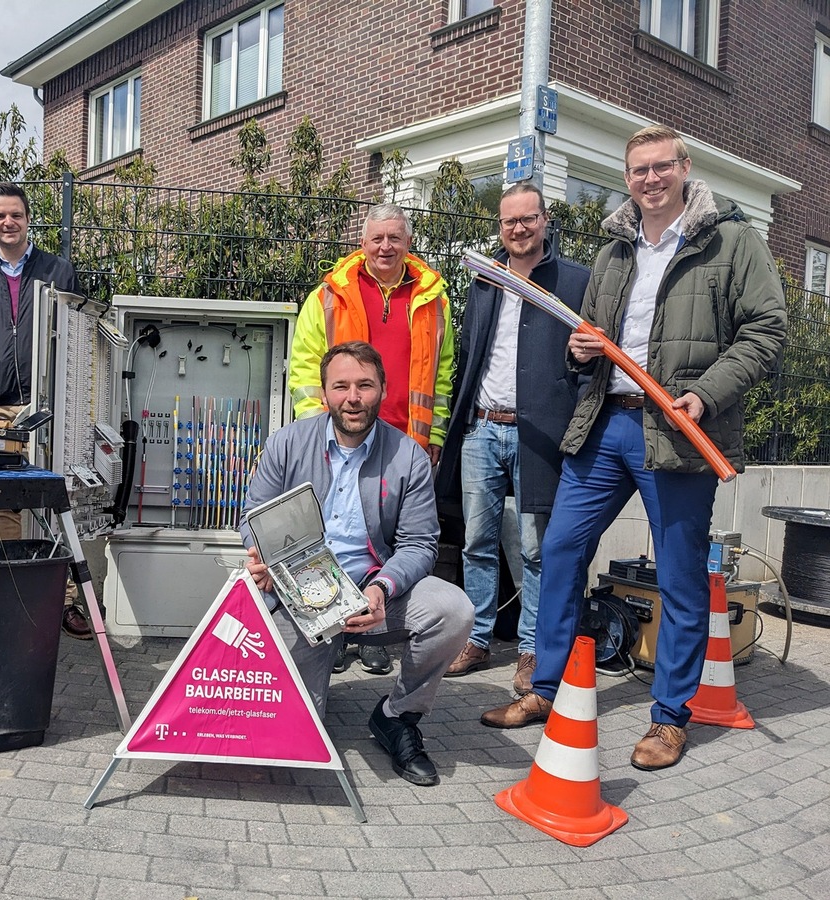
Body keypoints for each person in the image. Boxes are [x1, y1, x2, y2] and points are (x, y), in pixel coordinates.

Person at [481, 125, 786, 771]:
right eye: (639, 170)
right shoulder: (616, 249)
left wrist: (704, 394)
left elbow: (766, 331)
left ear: (684, 167)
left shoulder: (730, 241)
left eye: (661, 167)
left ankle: (669, 718)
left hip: (676, 431)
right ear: (627, 179)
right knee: (560, 551)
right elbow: (588, 340)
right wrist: (578, 349)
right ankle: (545, 689)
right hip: (606, 424)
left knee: (678, 580)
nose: (650, 179)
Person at [241, 342, 473, 787]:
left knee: (453, 611)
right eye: (341, 386)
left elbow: (421, 542)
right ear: (325, 393)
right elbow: (253, 516)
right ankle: (322, 662)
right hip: (300, 591)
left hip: (373, 585)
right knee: (294, 729)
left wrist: (383, 587)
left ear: (382, 390)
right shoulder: (287, 442)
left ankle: (397, 717)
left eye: (365, 385)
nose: (353, 397)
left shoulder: (409, 456)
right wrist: (266, 561)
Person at [289, 203, 456, 677]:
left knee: (385, 539)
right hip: (344, 435)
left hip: (406, 441)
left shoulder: (434, 298)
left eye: (395, 239)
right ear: (362, 243)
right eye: (376, 239)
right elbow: (304, 366)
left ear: (408, 243)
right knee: (339, 532)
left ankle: (373, 634)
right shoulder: (329, 294)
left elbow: (441, 375)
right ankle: (335, 629)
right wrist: (318, 428)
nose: (385, 247)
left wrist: (434, 433)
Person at [437, 184, 590, 694]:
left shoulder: (573, 281)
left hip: (538, 434)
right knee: (477, 542)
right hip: (482, 427)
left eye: (528, 219)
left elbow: (585, 360)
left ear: (546, 221)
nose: (518, 229)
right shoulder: (485, 278)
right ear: (499, 226)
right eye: (509, 222)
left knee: (535, 549)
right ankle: (476, 638)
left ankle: (531, 649)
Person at [0, 182, 91, 639]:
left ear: (28, 220)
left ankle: (64, 601)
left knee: (57, 500)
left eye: (16, 215)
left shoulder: (58, 271)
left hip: (49, 405)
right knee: (3, 503)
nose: (8, 223)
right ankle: (10, 594)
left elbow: (80, 333)